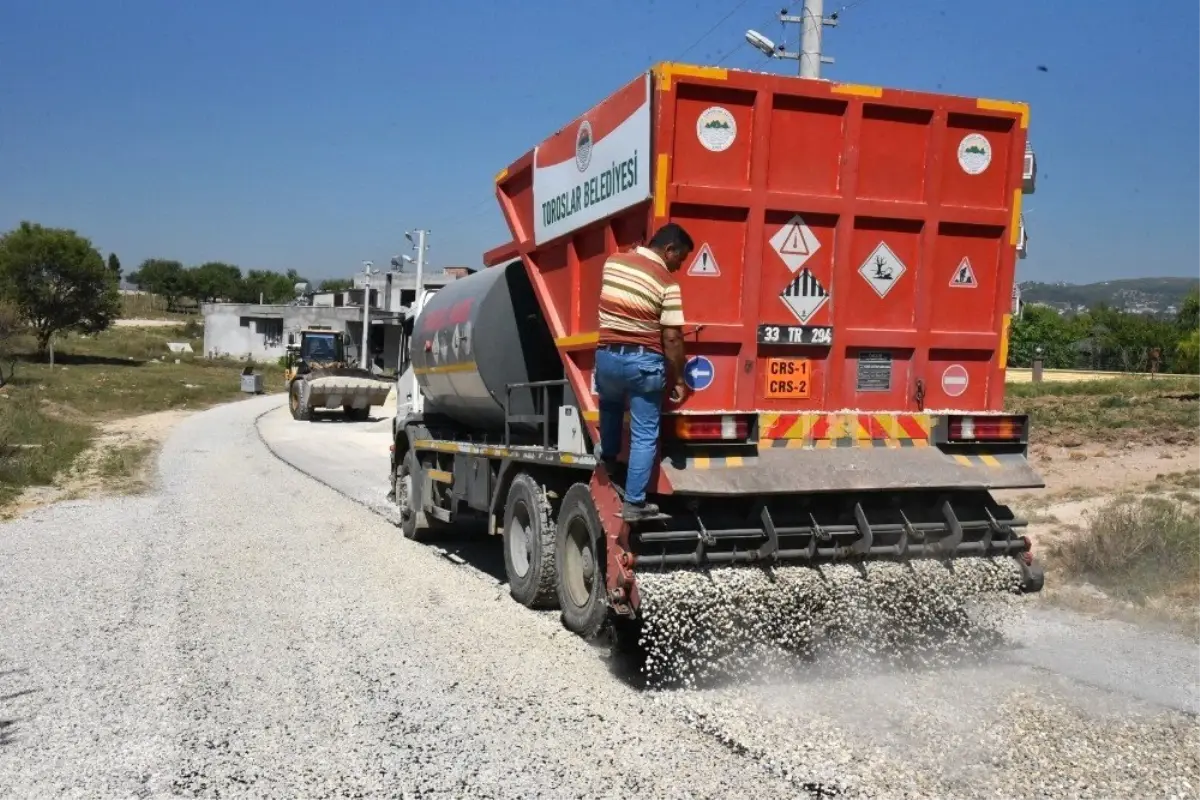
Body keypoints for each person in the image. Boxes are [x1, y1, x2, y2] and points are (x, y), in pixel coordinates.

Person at [594, 222, 693, 522]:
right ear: (669, 250)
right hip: (642, 361)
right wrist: (678, 377)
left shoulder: (613, 262)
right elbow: (672, 338)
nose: (679, 267)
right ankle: (634, 503)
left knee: (610, 406)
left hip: (606, 357)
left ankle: (608, 459)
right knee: (644, 434)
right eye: (681, 259)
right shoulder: (666, 283)